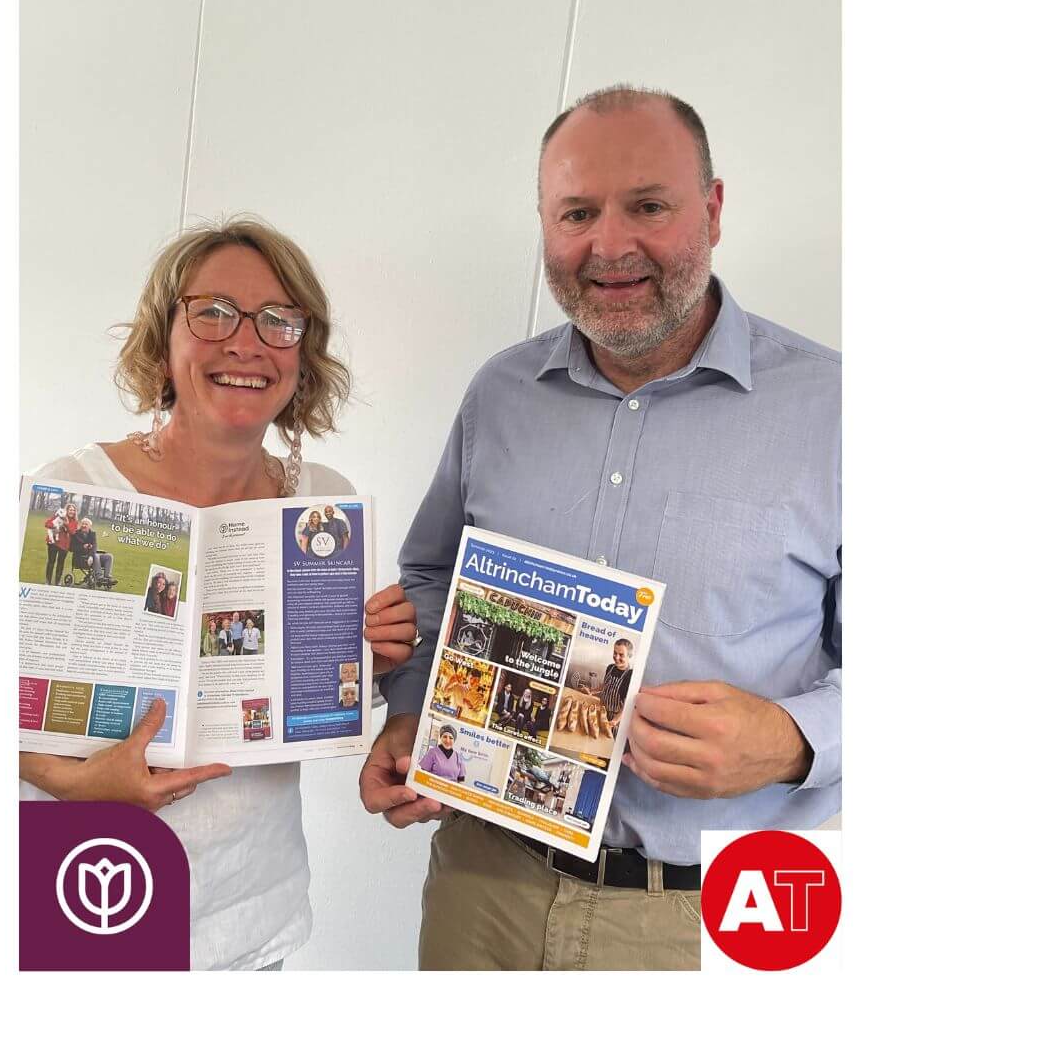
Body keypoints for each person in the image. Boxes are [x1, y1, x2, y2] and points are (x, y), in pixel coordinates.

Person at [359, 87, 841, 971]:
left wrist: (794, 739)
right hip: (486, 881)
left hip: (724, 911)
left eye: (648, 206)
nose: (610, 245)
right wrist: (412, 715)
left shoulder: (838, 410)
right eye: (577, 212)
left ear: (715, 208)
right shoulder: (499, 395)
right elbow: (434, 578)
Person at [19, 215, 422, 972]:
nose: (245, 342)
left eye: (279, 321)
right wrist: (75, 781)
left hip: (248, 910)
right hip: (92, 886)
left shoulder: (325, 504)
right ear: (163, 337)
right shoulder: (72, 492)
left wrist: (374, 656)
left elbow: (322, 698)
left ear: (303, 354)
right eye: (213, 313)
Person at [598, 638, 633, 723]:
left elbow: (628, 704)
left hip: (616, 717)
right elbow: (605, 685)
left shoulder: (631, 675)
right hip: (602, 710)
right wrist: (591, 691)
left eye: (621, 655)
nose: (617, 657)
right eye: (615, 653)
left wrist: (616, 720)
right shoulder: (610, 667)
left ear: (629, 656)